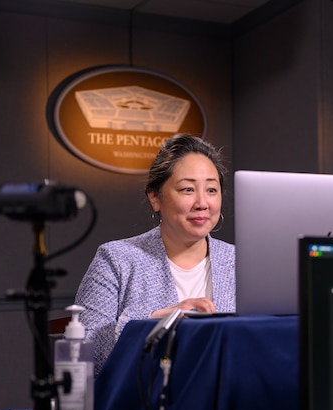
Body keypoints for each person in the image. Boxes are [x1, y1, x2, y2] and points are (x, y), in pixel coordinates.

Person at [76, 134, 235, 374]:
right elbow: (84, 354)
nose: (202, 203)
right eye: (187, 189)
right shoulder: (116, 259)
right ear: (155, 197)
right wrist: (152, 321)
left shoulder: (240, 262)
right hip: (142, 404)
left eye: (212, 190)